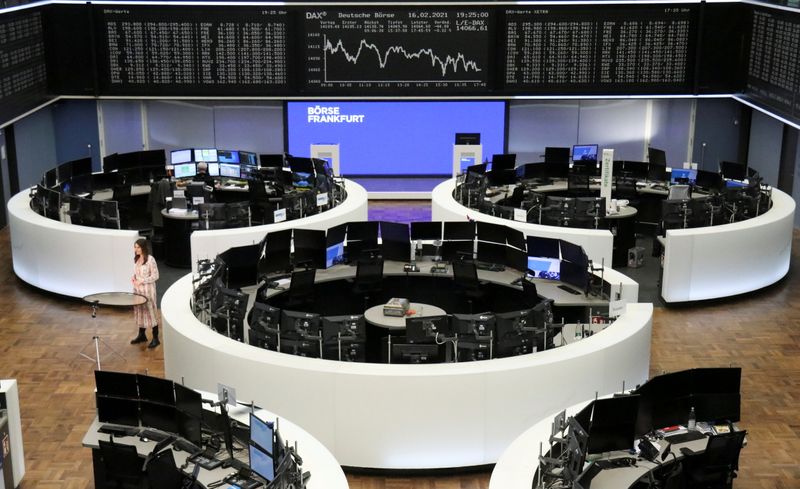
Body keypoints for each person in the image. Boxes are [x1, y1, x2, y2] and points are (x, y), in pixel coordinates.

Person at [130, 238, 161, 348]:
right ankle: (142, 335)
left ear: (143, 247)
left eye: (138, 247)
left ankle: (156, 338)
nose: (136, 249)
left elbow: (156, 276)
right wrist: (134, 278)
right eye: (135, 247)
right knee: (141, 311)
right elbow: (137, 273)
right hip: (138, 290)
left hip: (148, 290)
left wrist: (142, 281)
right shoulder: (137, 259)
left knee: (150, 312)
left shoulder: (150, 260)